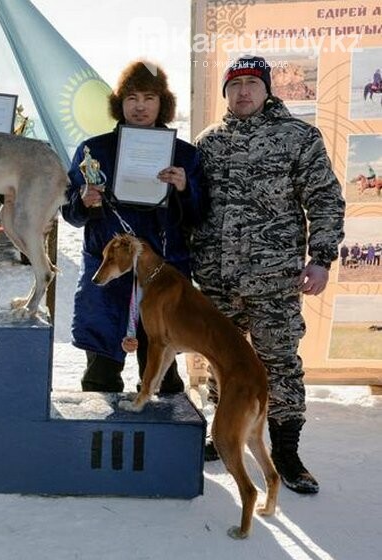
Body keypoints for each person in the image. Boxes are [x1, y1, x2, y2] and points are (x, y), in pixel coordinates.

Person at [192, 55, 345, 494]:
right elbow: (193, 210)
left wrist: (320, 257)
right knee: (222, 362)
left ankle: (286, 451)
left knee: (278, 365)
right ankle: (223, 432)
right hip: (218, 279)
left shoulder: (297, 137)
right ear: (225, 91)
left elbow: (325, 200)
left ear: (266, 89)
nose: (243, 92)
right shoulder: (208, 143)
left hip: (274, 282)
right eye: (235, 84)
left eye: (251, 84)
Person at [61, 60, 203, 394]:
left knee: (163, 381)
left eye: (149, 98)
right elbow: (68, 212)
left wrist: (185, 188)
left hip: (163, 279)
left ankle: (164, 444)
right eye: (132, 98)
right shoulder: (93, 151)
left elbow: (200, 217)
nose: (140, 106)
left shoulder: (185, 156)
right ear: (120, 103)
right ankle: (97, 445)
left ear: (162, 104)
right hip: (108, 277)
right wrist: (83, 201)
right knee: (99, 381)